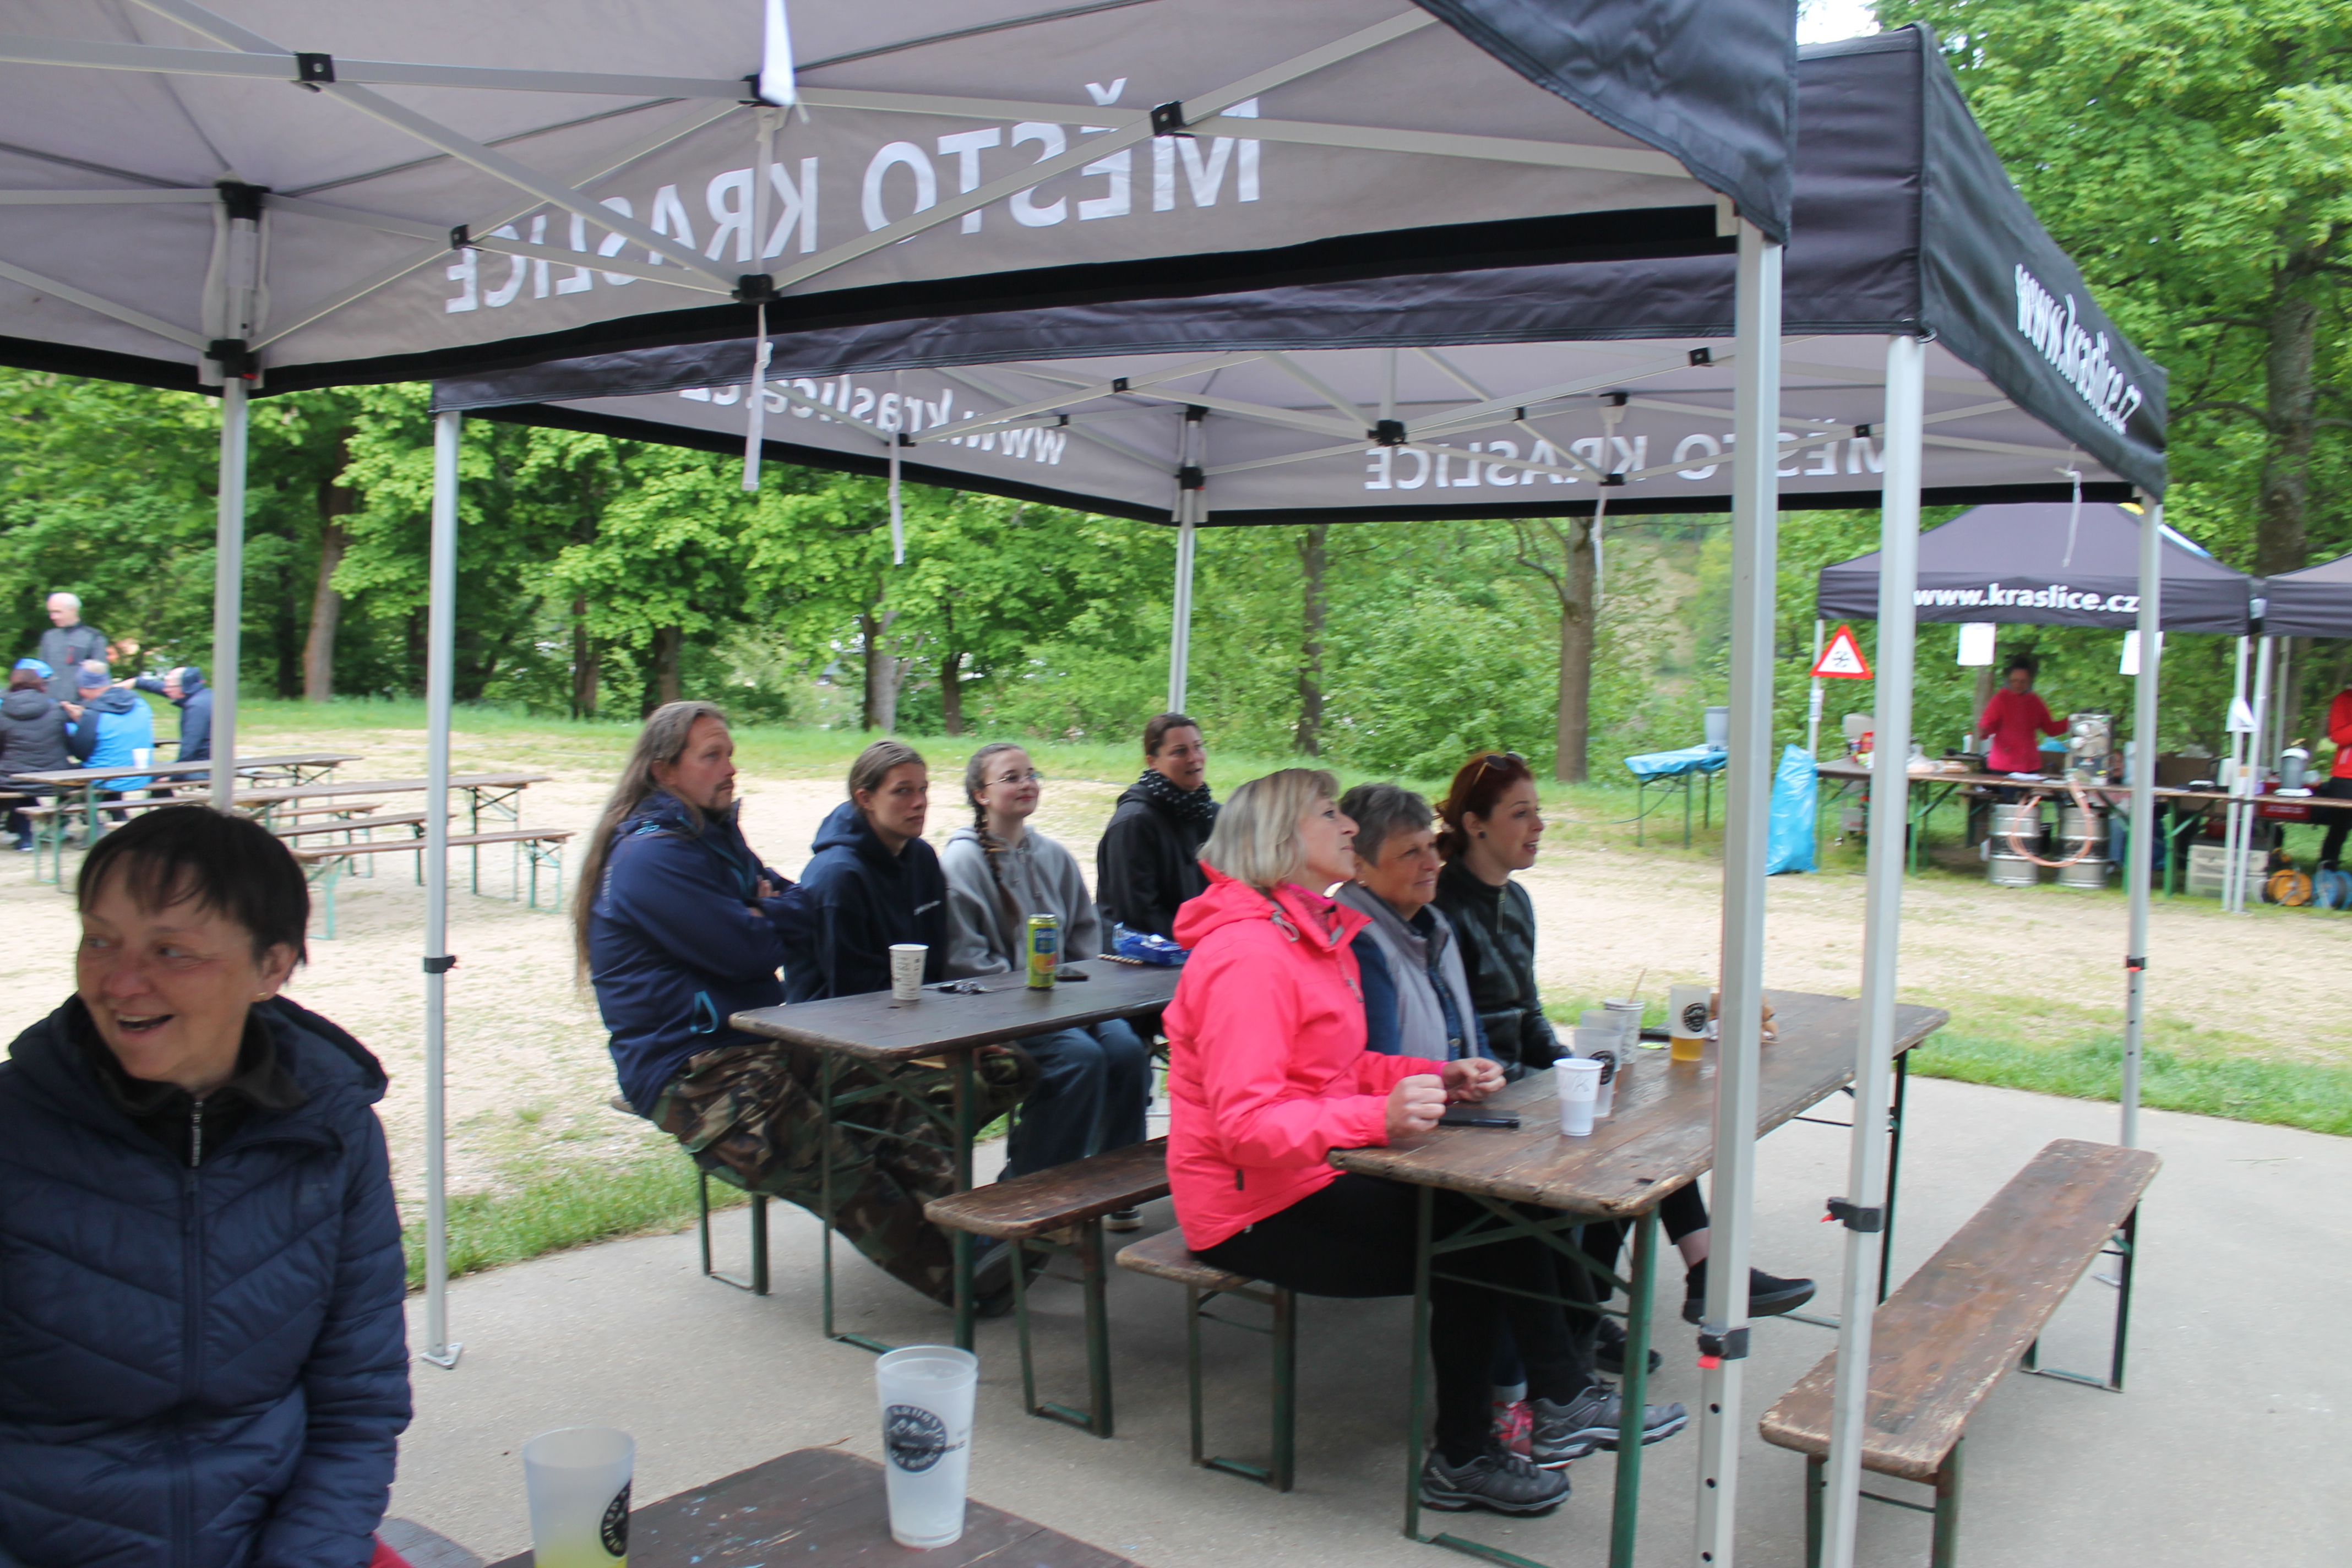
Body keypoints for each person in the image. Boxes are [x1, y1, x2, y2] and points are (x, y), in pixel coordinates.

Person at [1167, 769, 1685, 1518]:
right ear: (1280, 839)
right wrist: (1376, 1119)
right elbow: (1246, 1126)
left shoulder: (1307, 934)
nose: (1349, 826)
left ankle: (1529, 1416)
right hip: (1248, 1211)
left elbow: (1337, 1068)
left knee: (1490, 1214)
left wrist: (1434, 1075)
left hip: (1309, 1175)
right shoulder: (1250, 954)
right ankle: (1507, 1430)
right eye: (1329, 814)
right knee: (1477, 1230)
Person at [0, 805, 411, 1566]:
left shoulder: (332, 1133)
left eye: (171, 951)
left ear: (271, 968)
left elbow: (358, 1402)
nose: (120, 982)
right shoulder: (14, 1133)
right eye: (99, 940)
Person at [581, 705, 1020, 1310]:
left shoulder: (712, 838)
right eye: (711, 755)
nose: (730, 768)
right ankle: (968, 1276)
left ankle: (982, 1237)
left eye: (730, 753)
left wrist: (764, 910)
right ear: (664, 771)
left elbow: (798, 905)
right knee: (841, 1164)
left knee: (911, 1103)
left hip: (765, 1039)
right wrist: (764, 916)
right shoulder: (650, 858)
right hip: (692, 1068)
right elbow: (752, 947)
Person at [1430, 750, 1815, 1368]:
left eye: (1539, 811)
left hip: (1526, 1082)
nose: (1539, 825)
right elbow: (1458, 1030)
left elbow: (1528, 1012)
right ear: (1475, 824)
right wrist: (1552, 1082)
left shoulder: (1517, 900)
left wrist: (1573, 1068)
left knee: (1634, 1118)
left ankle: (1607, 1304)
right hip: (1483, 1095)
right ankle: (1603, 1309)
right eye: (1521, 813)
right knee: (1617, 1142)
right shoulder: (1444, 907)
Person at [942, 743, 1150, 1187]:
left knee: (1127, 1051)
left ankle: (1116, 1184)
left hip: (1067, 999)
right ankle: (1029, 1189)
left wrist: (1077, 987)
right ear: (981, 794)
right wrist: (1029, 993)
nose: (1027, 784)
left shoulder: (1054, 854)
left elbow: (1084, 936)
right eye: (1011, 777)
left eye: (1032, 775)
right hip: (1002, 1010)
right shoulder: (962, 861)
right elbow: (966, 959)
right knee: (1080, 1059)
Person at [1336, 781, 1493, 1065]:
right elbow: (1381, 1063)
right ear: (1359, 866)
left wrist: (1487, 1071)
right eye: (1410, 853)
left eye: (1431, 846)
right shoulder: (1357, 942)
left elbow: (1470, 1025)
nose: (1432, 864)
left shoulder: (1439, 926)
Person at [1095, 711, 1216, 943]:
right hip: (1145, 951)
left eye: (1198, 747)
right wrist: (1196, 942)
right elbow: (1137, 914)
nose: (1194, 758)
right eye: (1179, 751)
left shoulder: (1212, 814)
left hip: (1204, 944)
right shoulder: (1134, 824)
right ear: (1153, 762)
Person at [64, 657, 156, 805]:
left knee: (65, 775)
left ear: (83, 688)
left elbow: (80, 753)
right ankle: (118, 815)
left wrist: (80, 723)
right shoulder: (139, 702)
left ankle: (63, 818)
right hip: (140, 775)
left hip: (106, 780)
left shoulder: (93, 716)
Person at [1, 663, 70, 850]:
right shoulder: (56, 709)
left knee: (16, 781)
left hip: (14, 777)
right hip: (57, 775)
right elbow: (66, 742)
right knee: (81, 777)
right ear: (40, 684)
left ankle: (25, 838)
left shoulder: (3, 712)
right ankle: (58, 822)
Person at [1978, 654, 2064, 776]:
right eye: (2015, 681)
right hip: (2003, 765)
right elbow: (1988, 725)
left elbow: (2051, 729)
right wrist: (1984, 731)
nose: (2018, 685)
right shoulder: (2000, 700)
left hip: (2030, 765)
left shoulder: (2035, 702)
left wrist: (2072, 721)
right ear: (2009, 681)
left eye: (2023, 682)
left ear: (2029, 682)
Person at [127, 663, 213, 764]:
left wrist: (176, 772)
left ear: (183, 687)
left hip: (202, 766)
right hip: (208, 762)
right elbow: (161, 687)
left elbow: (189, 747)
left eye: (169, 687)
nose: (165, 690)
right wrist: (137, 682)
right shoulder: (204, 696)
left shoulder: (196, 708)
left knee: (150, 771)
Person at [36, 591, 105, 701]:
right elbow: (40, 673)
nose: (52, 617)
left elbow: (100, 678)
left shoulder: (93, 637)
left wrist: (85, 706)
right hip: (49, 704)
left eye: (57, 612)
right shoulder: (49, 637)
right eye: (51, 612)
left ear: (73, 610)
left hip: (80, 705)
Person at [2318, 683, 2352, 872]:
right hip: (2346, 776)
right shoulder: (2345, 699)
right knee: (2340, 826)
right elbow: (2338, 737)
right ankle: (2327, 868)